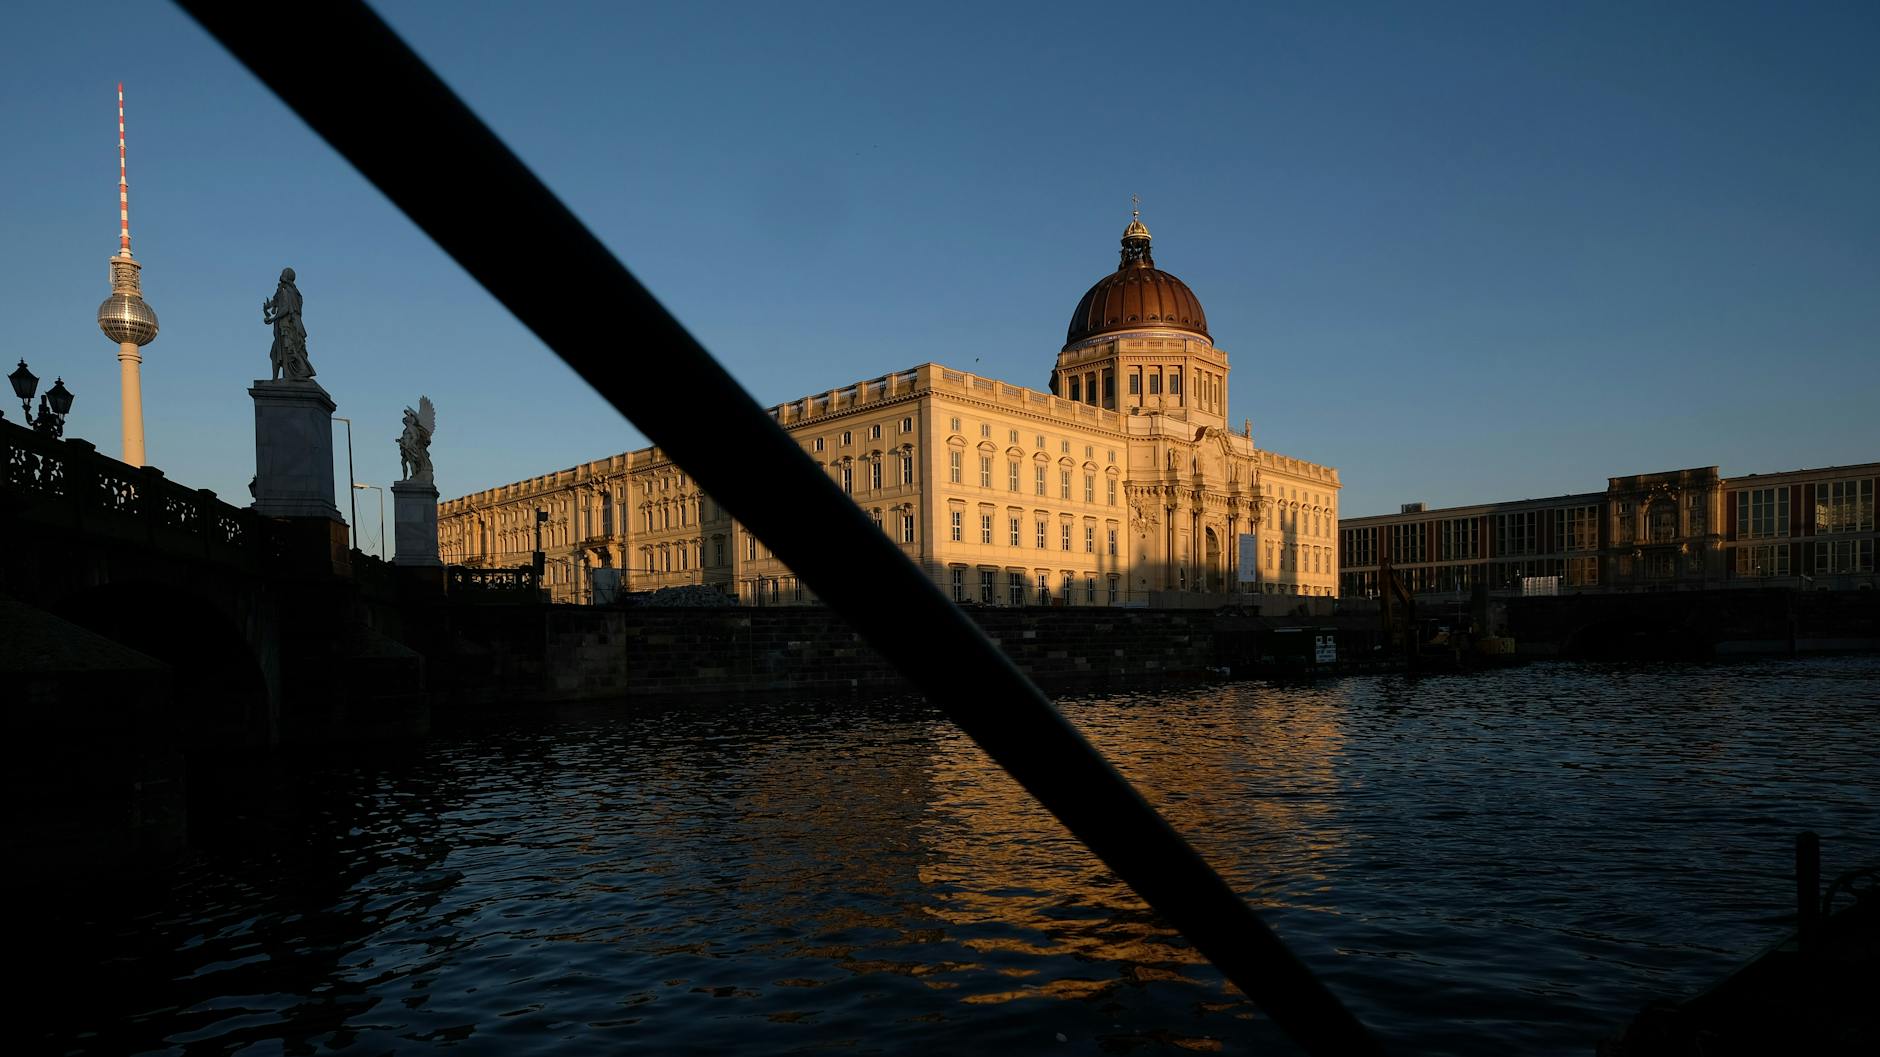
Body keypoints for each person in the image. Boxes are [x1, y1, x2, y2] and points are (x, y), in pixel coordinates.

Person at [263, 267, 313, 380]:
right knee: (280, 352)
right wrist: (269, 307)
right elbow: (276, 302)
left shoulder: (286, 290)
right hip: (293, 325)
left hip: (287, 325)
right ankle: (277, 379)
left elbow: (285, 307)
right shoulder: (293, 292)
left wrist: (273, 318)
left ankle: (293, 374)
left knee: (286, 352)